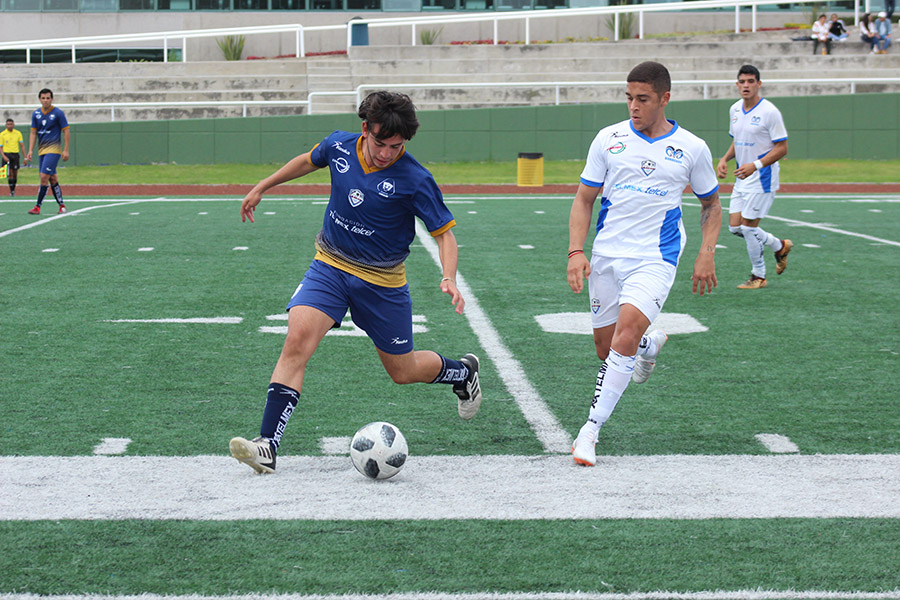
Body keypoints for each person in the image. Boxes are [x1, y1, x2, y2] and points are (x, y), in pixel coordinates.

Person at [229, 90, 482, 474]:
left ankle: (463, 373)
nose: (386, 153)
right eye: (381, 143)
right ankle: (267, 445)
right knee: (296, 340)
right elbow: (308, 160)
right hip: (329, 266)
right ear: (365, 129)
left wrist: (449, 276)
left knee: (403, 371)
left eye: (396, 146)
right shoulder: (340, 146)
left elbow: (444, 234)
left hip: (383, 284)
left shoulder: (415, 179)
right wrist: (264, 184)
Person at [567, 61, 722, 467]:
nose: (634, 106)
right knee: (607, 348)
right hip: (607, 255)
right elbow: (584, 199)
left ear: (664, 98)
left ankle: (589, 431)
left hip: (656, 257)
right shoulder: (608, 139)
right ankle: (649, 345)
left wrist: (707, 252)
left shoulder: (692, 148)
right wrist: (575, 251)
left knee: (624, 336)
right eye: (629, 98)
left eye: (643, 99)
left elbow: (711, 204)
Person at [716, 65, 791, 290]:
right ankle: (779, 246)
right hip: (742, 177)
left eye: (750, 81)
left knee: (748, 228)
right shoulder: (735, 109)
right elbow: (737, 141)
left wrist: (755, 165)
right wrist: (724, 159)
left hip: (762, 178)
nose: (746, 85)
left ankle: (759, 276)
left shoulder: (770, 112)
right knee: (735, 228)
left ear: (759, 84)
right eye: (742, 81)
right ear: (737, 85)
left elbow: (783, 147)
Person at [25, 88, 69, 215]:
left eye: (48, 98)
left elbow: (66, 130)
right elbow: (33, 132)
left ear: (52, 99)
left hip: (54, 149)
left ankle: (37, 206)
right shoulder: (36, 114)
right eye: (43, 98)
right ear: (39, 99)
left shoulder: (58, 113)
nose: (45, 100)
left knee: (44, 177)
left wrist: (65, 150)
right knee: (52, 178)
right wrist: (30, 150)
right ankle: (62, 205)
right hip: (42, 150)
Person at [0, 118, 27, 197]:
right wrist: (3, 156)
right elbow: (0, 147)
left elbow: (22, 146)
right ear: (6, 125)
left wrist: (25, 157)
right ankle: (11, 191)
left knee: (15, 173)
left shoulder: (18, 133)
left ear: (13, 125)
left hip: (15, 155)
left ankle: (13, 189)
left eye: (11, 124)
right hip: (7, 154)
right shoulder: (2, 134)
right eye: (8, 124)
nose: (9, 126)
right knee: (10, 173)